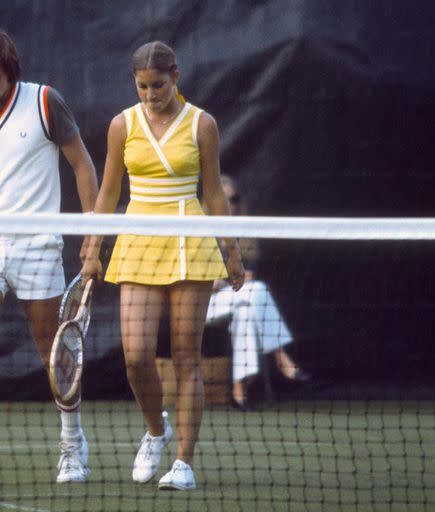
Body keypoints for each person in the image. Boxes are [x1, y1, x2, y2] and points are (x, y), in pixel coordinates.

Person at [0, 27, 99, 491]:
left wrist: (92, 235)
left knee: (54, 351)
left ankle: (72, 444)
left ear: (12, 72)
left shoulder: (46, 102)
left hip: (38, 246)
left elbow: (83, 164)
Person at [81, 41, 244, 491]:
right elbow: (108, 192)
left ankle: (183, 463)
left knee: (186, 356)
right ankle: (156, 428)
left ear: (176, 76)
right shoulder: (122, 124)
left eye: (158, 85)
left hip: (190, 238)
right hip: (137, 239)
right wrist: (92, 247)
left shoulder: (202, 124)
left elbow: (213, 192)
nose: (150, 94)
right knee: (135, 358)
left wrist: (231, 251)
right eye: (142, 86)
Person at [206, 175, 311, 411]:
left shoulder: (245, 236)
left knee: (248, 308)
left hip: (238, 296)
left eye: (233, 199)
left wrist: (223, 279)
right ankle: (280, 355)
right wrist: (227, 279)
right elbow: (207, 283)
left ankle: (239, 393)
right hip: (200, 304)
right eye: (223, 199)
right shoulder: (199, 232)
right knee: (257, 292)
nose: (229, 205)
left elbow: (248, 277)